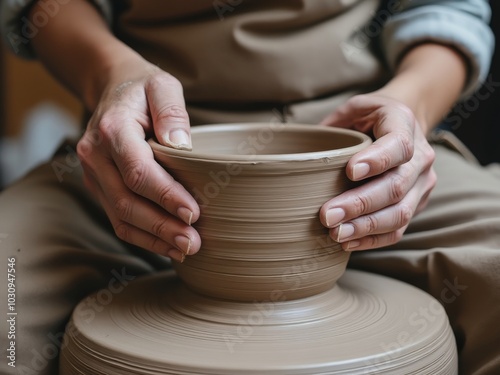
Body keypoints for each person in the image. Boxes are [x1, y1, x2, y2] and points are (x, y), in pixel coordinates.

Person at [1, 0, 499, 374]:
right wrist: (111, 76)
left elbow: (445, 11)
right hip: (140, 150)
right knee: (6, 290)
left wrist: (411, 107)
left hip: (365, 153)